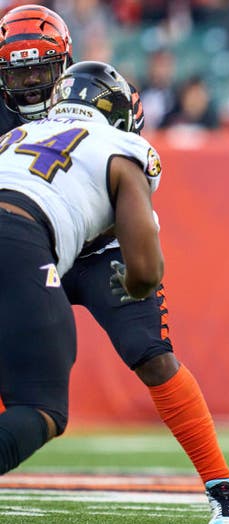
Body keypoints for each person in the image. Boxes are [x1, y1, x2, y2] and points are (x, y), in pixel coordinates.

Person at [0, 6, 229, 524]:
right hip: (34, 237)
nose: (29, 85)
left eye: (41, 71)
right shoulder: (121, 145)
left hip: (84, 247)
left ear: (64, 71)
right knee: (41, 395)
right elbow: (147, 262)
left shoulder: (94, 142)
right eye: (17, 71)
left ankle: (223, 486)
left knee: (150, 353)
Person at [0, 59, 161, 478]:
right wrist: (133, 283)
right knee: (42, 405)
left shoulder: (17, 132)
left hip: (17, 229)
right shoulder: (123, 148)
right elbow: (145, 271)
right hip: (17, 236)